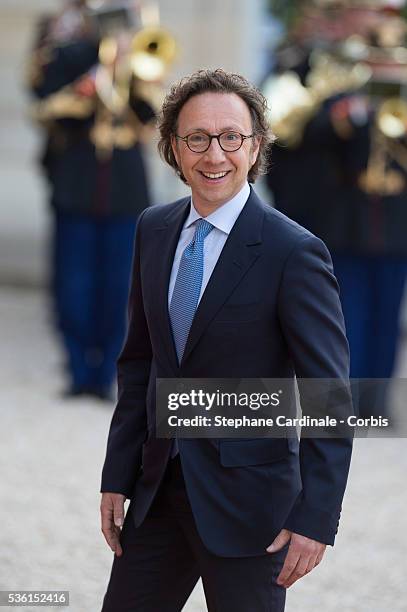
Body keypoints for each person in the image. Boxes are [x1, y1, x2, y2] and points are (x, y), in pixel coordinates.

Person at [100, 69, 353, 612]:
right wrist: (116, 475)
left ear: (255, 145)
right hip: (157, 492)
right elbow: (140, 363)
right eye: (197, 138)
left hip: (252, 509)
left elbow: (327, 394)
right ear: (173, 146)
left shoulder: (295, 252)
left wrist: (316, 518)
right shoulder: (153, 228)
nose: (214, 154)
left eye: (230, 138)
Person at [29, 0, 154, 399]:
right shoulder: (69, 54)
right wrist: (87, 84)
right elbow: (44, 107)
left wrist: (130, 69)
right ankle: (79, 368)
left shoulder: (141, 58)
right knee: (73, 284)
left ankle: (107, 375)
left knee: (121, 286)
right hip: (78, 181)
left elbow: (153, 117)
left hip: (124, 186)